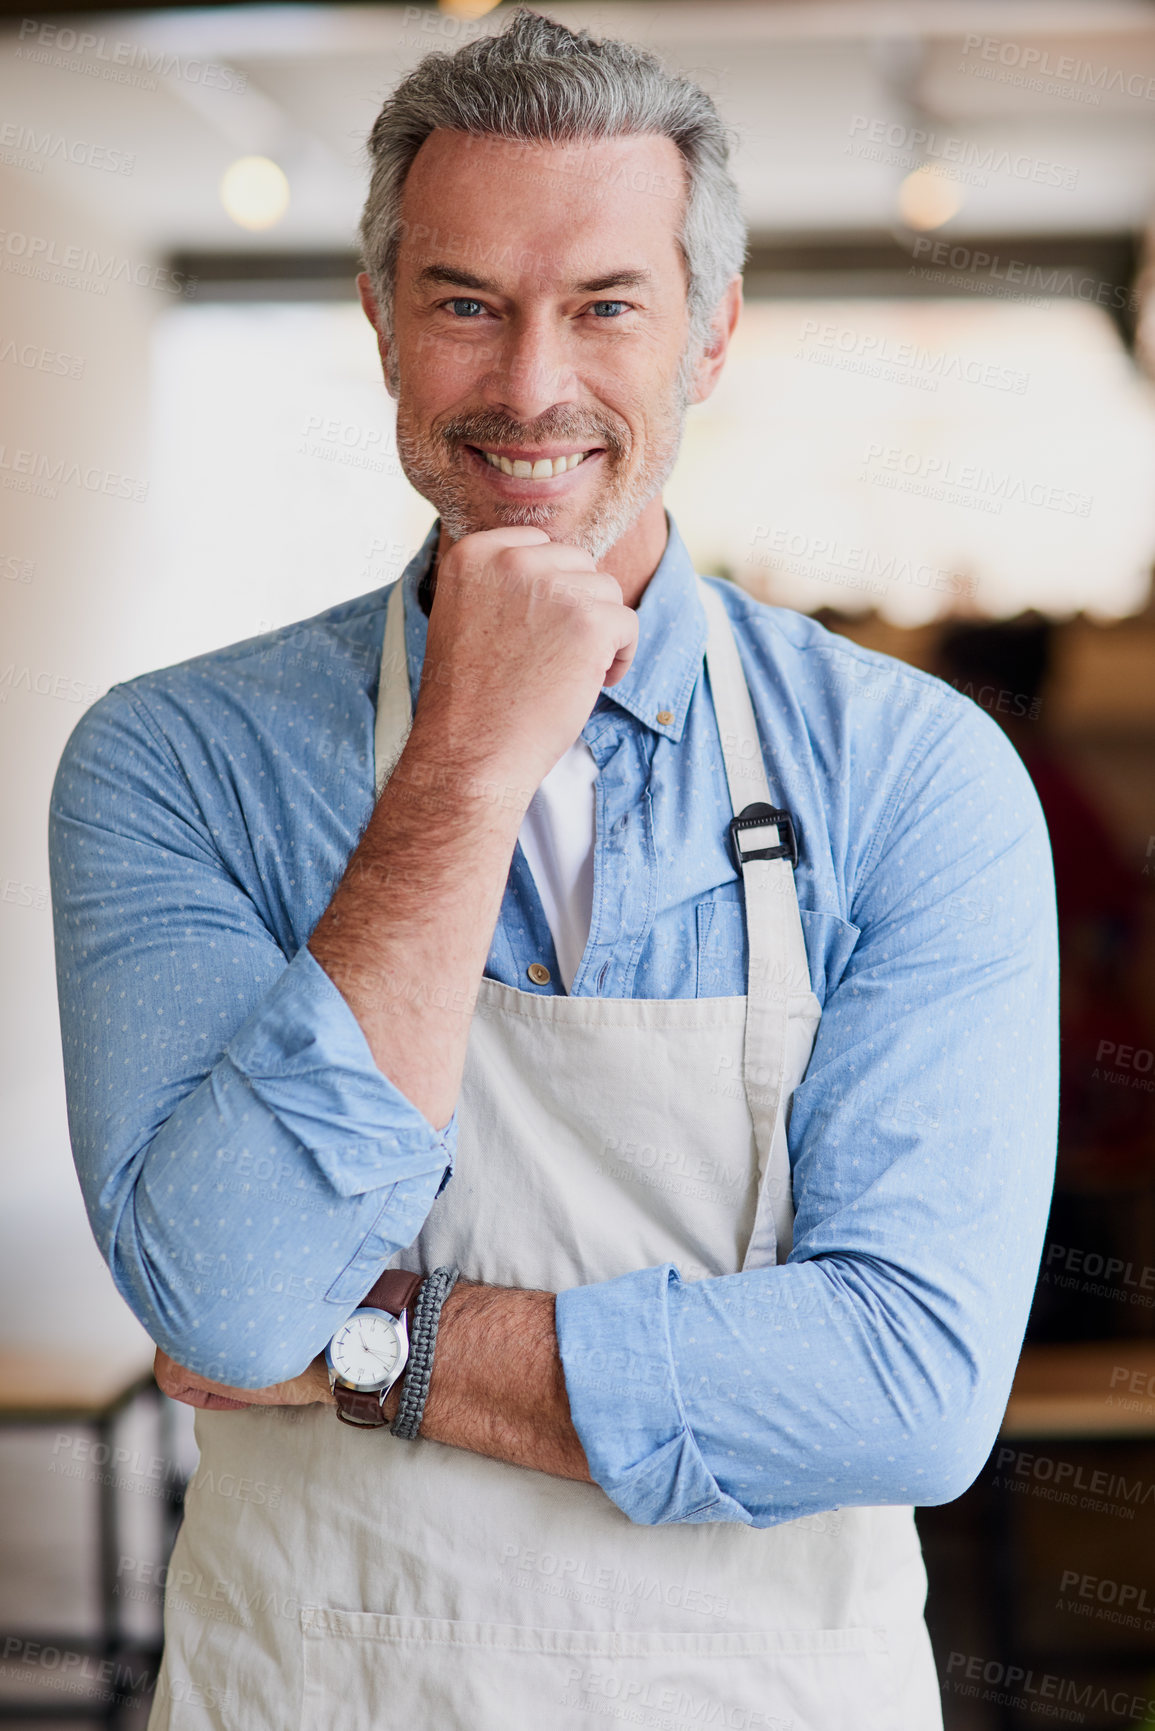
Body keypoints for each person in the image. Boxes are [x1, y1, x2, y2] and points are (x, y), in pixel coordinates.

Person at [49, 12, 1058, 1727]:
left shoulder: (914, 777)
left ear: (710, 334)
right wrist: (462, 764)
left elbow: (906, 1385)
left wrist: (381, 1346)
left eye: (605, 306)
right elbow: (226, 1305)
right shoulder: (173, 763)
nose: (531, 386)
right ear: (379, 322)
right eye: (464, 303)